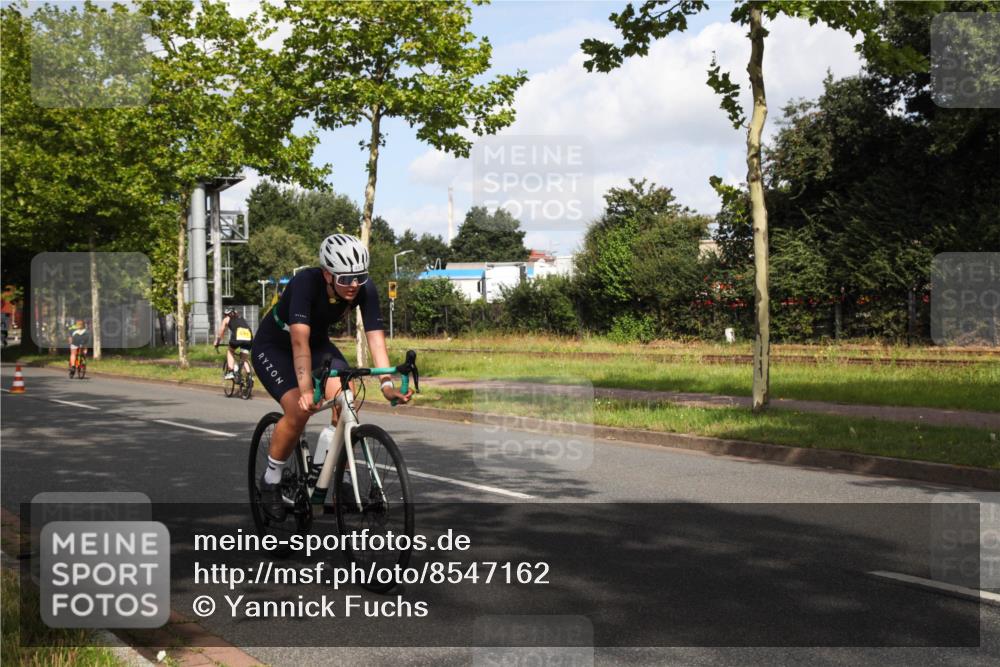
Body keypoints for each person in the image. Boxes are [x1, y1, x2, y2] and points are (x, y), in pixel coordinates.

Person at [251, 234, 412, 520]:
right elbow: (299, 343)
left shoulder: (363, 287)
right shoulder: (305, 283)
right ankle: (271, 479)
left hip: (318, 344)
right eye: (345, 279)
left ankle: (338, 478)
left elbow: (376, 339)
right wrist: (304, 389)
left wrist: (386, 384)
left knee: (347, 398)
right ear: (327, 273)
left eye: (359, 277)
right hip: (276, 346)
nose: (353, 285)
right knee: (298, 411)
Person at [214, 307, 253, 380]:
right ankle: (249, 377)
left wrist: (217, 342)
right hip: (249, 337)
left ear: (226, 314)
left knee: (230, 351)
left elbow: (221, 331)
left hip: (238, 336)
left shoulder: (226, 319)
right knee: (244, 358)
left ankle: (231, 372)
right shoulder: (241, 318)